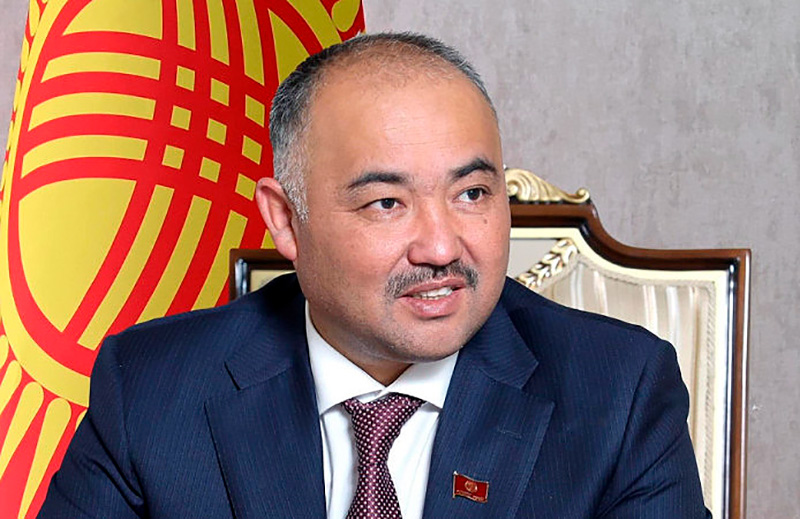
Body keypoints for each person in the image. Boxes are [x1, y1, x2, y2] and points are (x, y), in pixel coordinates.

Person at [38, 33, 710, 519]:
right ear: (286, 220)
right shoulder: (152, 388)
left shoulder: (618, 392)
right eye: (387, 203)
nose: (441, 246)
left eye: (473, 193)